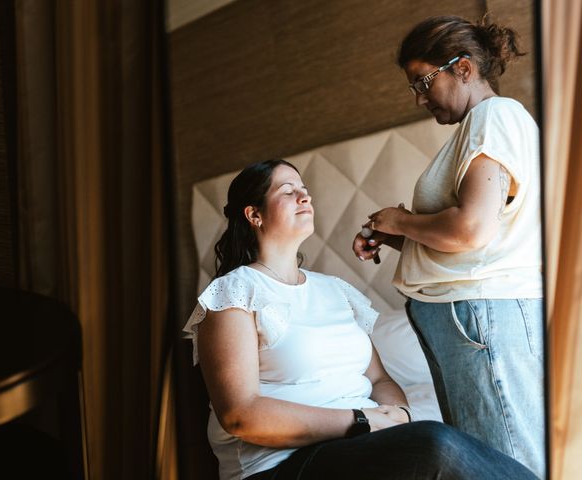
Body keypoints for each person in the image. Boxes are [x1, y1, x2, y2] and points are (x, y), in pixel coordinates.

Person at [184, 159, 538, 480]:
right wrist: (363, 421)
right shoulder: (232, 293)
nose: (304, 197)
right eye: (288, 191)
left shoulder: (335, 291)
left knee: (432, 437)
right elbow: (240, 414)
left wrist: (397, 412)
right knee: (434, 444)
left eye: (305, 191)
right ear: (254, 214)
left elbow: (380, 378)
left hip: (356, 448)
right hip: (281, 464)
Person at [352, 15, 544, 478]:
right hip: (470, 316)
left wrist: (399, 218)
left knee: (503, 461)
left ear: (462, 68)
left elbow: (469, 231)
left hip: (479, 315)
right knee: (484, 461)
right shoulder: (481, 126)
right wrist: (400, 237)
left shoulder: (494, 117)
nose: (419, 98)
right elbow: (471, 239)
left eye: (423, 81)